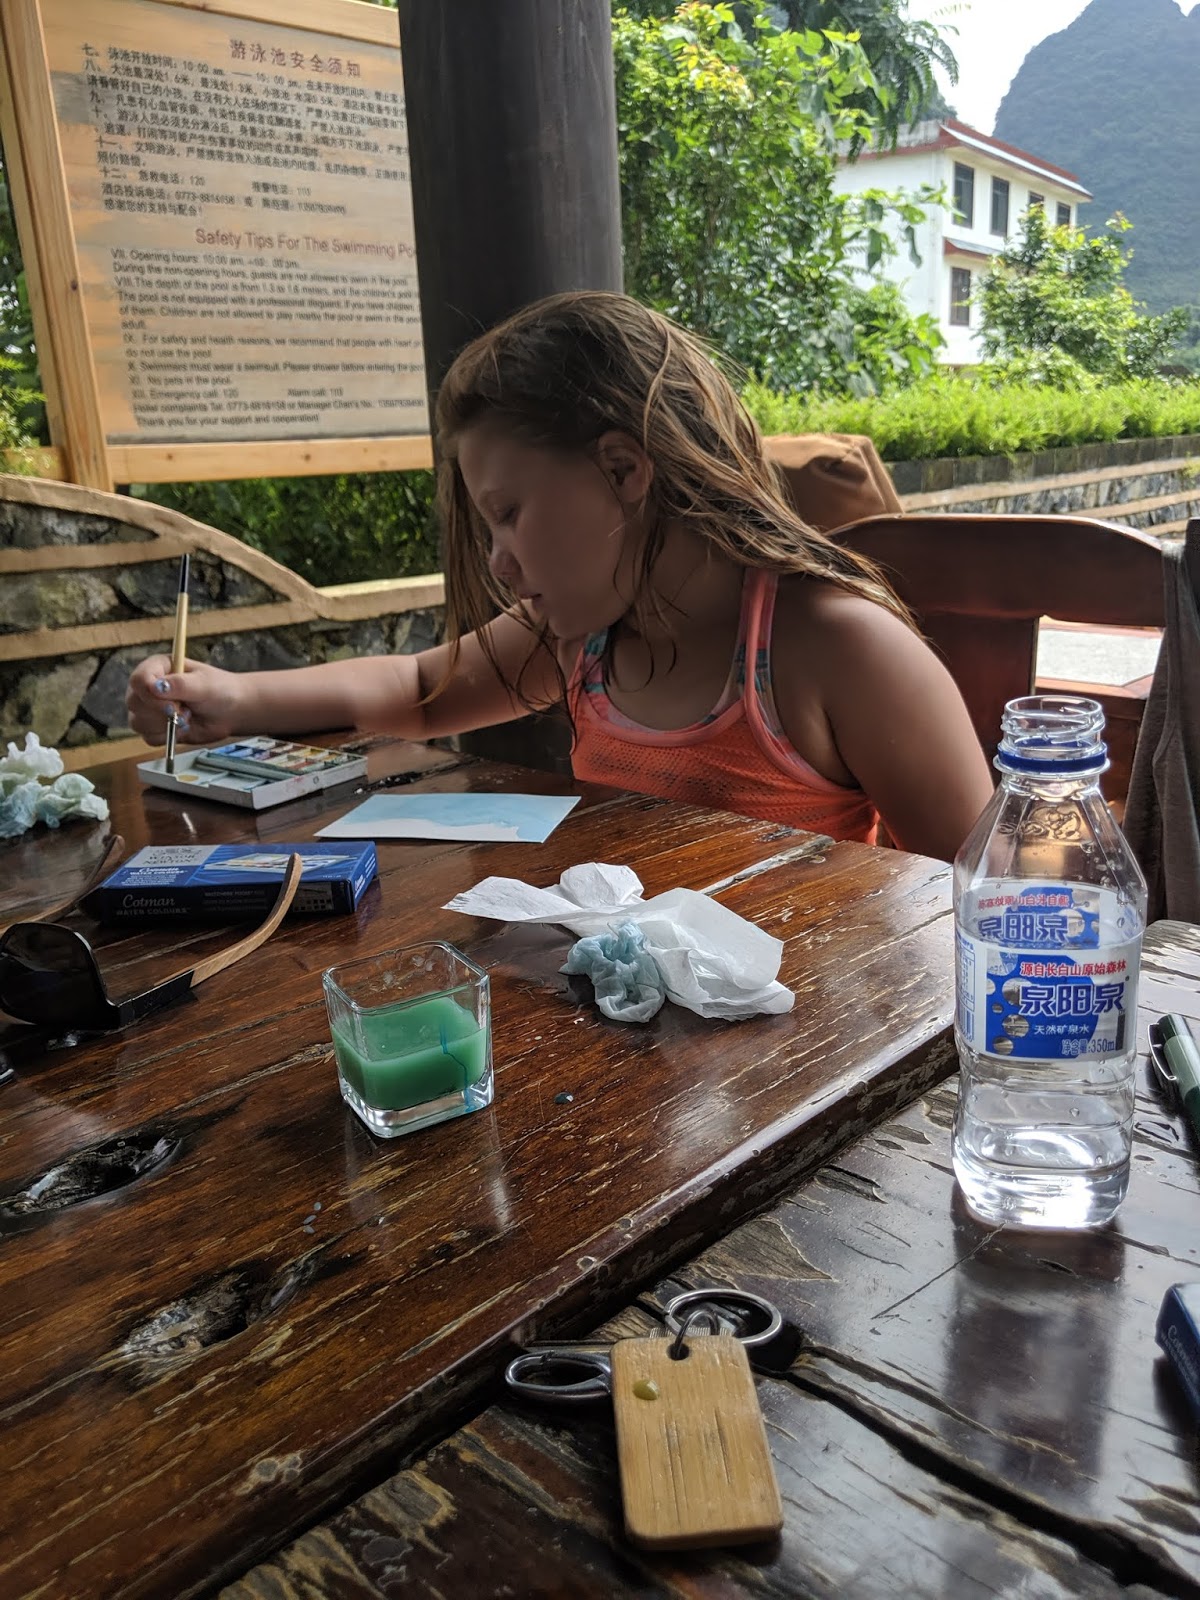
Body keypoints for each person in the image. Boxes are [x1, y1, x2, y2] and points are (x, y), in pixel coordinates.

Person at [126, 291, 992, 861]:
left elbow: (976, 902)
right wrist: (232, 699)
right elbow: (421, 691)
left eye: (508, 513)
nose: (498, 560)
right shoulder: (584, 636)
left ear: (623, 469)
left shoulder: (835, 649)